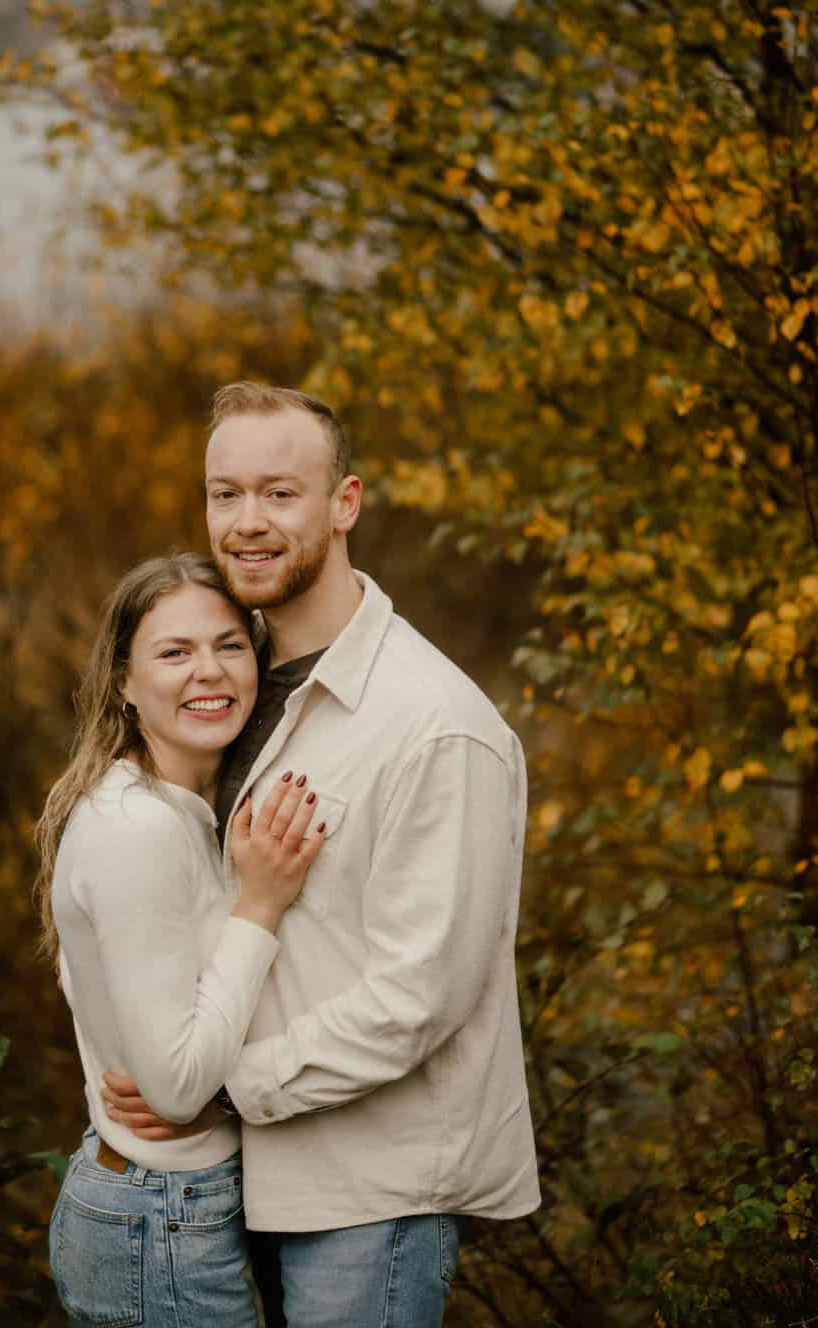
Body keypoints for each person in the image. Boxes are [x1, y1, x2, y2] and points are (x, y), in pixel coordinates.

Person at [102, 384, 541, 1328]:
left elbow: (422, 992)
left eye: (279, 494)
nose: (247, 523)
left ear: (344, 504)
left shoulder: (434, 726)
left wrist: (219, 1086)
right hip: (225, 1186)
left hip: (363, 1199)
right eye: (225, 494)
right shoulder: (223, 679)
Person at [34, 551, 327, 1327]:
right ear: (124, 683)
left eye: (229, 645)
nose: (210, 672)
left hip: (167, 1207)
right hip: (157, 1215)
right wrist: (258, 907)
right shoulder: (136, 829)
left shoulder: (181, 810)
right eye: (174, 651)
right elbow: (174, 1090)